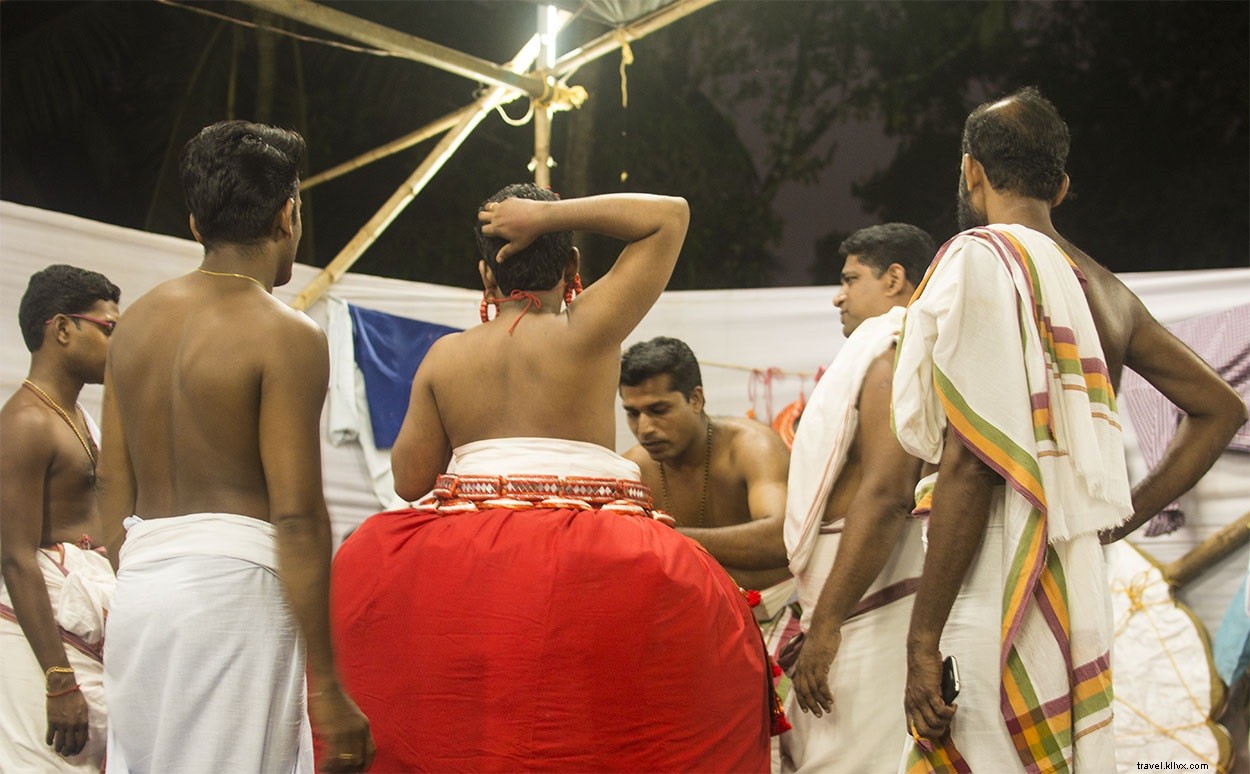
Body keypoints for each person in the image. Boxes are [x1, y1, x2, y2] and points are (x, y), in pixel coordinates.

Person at [331, 183, 774, 772]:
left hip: (463, 565)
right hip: (601, 560)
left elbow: (411, 480)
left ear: (485, 277)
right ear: (572, 268)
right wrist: (547, 217)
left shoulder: (445, 356)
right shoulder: (590, 328)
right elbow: (671, 216)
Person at [895, 87, 1247, 772]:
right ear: (1061, 185)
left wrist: (921, 640)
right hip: (1076, 581)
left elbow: (973, 461)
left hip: (992, 575)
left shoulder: (980, 259)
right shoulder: (1107, 291)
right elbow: (1220, 409)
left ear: (972, 170)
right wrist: (1120, 514)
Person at [97, 120, 373, 773]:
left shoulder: (132, 324)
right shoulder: (286, 333)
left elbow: (111, 489)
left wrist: (148, 575)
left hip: (137, 587)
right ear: (287, 215)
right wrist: (327, 685)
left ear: (196, 223)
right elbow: (298, 515)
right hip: (233, 593)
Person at [777, 224, 935, 773]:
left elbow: (890, 496)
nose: (837, 295)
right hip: (853, 607)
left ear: (894, 279)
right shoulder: (886, 358)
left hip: (872, 610)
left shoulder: (892, 362)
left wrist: (825, 629)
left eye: (850, 279)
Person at [1, 265, 120, 771]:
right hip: (40, 645)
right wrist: (58, 676)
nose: (118, 343)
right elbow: (13, 556)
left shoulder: (75, 416)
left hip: (82, 637)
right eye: (108, 329)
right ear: (63, 329)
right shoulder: (26, 422)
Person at [619, 336, 792, 597]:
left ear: (696, 399)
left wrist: (667, 537)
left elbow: (781, 538)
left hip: (777, 608)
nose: (644, 429)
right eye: (633, 413)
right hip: (690, 611)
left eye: (659, 410)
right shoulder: (634, 468)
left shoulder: (752, 446)